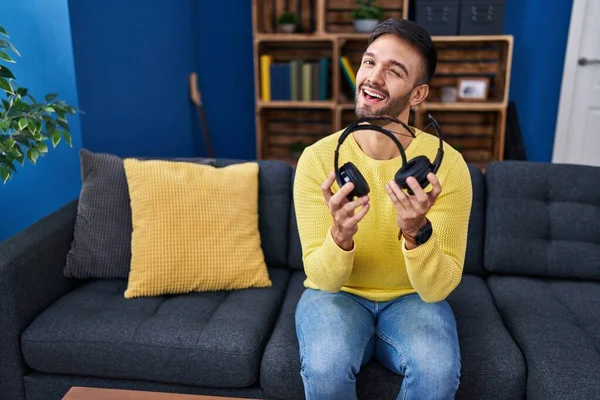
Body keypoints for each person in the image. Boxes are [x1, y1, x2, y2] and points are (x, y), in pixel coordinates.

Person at [293, 18, 473, 400]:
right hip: (337, 295)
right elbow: (323, 280)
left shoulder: (448, 167)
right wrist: (340, 236)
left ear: (418, 93)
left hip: (412, 298)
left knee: (437, 371)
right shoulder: (317, 160)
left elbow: (438, 288)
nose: (373, 78)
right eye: (370, 62)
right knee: (325, 365)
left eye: (394, 71)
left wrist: (416, 233)